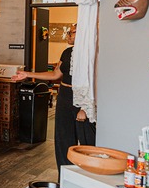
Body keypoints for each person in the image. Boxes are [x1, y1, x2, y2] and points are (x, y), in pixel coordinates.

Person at [12, 24, 95, 174]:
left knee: (87, 141)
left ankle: (88, 181)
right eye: (68, 32)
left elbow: (96, 81)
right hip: (64, 96)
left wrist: (85, 107)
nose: (69, 35)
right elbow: (56, 75)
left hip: (83, 98)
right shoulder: (67, 52)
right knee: (63, 138)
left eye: (72, 32)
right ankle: (64, 179)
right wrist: (28, 75)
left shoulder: (92, 54)